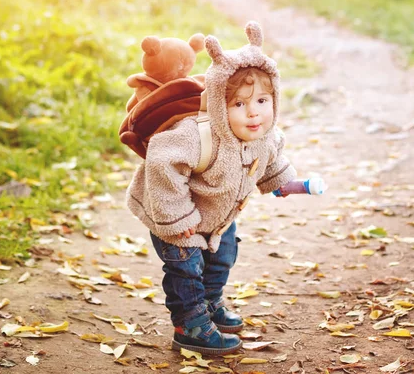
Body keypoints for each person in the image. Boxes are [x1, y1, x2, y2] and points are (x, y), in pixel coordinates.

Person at [126, 21, 297, 355]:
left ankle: (210, 303)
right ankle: (190, 324)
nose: (253, 113)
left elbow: (271, 160)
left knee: (222, 259)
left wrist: (283, 182)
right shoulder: (196, 133)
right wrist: (177, 216)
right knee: (186, 268)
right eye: (238, 105)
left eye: (262, 100)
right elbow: (161, 162)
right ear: (219, 103)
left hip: (217, 215)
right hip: (175, 211)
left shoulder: (265, 135)